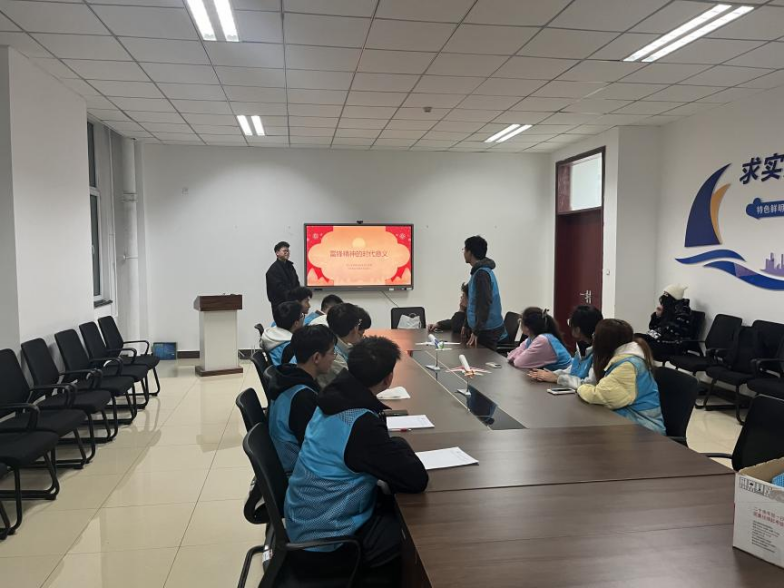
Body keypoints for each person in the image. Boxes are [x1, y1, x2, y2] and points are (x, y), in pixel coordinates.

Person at [285, 336, 428, 584]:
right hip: (328, 544)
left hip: (304, 521)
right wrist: (399, 445)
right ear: (388, 379)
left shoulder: (331, 399)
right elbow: (416, 479)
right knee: (416, 535)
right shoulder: (360, 424)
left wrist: (393, 446)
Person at [266, 325, 337, 474]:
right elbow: (318, 449)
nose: (334, 357)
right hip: (299, 473)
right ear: (316, 358)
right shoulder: (302, 397)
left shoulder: (287, 377)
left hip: (288, 463)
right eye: (332, 352)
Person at [577, 319, 665, 434]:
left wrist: (581, 387)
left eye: (595, 335)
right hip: (631, 424)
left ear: (604, 341)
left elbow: (599, 396)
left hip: (644, 431)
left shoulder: (627, 366)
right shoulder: (624, 359)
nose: (593, 338)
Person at [529, 305, 603, 389]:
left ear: (577, 329)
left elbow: (589, 385)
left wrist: (557, 378)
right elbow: (572, 370)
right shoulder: (582, 346)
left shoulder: (599, 354)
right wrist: (553, 374)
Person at [462, 236, 505, 350]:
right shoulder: (478, 272)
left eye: (464, 249)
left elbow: (484, 303)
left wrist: (476, 331)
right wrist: (466, 324)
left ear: (470, 252)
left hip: (487, 331)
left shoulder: (481, 274)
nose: (463, 253)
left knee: (481, 360)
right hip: (482, 329)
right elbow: (472, 302)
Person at [317, 302, 371, 388]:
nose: (362, 337)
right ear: (355, 328)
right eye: (361, 333)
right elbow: (352, 385)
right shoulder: (333, 356)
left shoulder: (337, 343)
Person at [507, 307, 572, 370]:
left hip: (564, 375)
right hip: (551, 373)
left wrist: (518, 356)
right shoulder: (532, 338)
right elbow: (510, 356)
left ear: (527, 328)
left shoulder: (542, 340)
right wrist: (518, 356)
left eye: (520, 321)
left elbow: (519, 363)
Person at [640, 284, 693, 361]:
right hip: (661, 339)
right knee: (636, 338)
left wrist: (652, 334)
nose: (663, 298)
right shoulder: (668, 308)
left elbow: (669, 332)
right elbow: (652, 328)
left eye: (666, 295)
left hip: (673, 345)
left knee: (645, 347)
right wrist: (657, 316)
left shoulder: (683, 312)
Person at [261, 301, 304, 366]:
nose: (303, 319)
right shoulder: (289, 347)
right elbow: (296, 368)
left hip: (275, 369)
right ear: (296, 323)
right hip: (282, 371)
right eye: (302, 316)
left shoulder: (271, 334)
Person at [266, 241, 300, 315]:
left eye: (288, 251)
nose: (287, 253)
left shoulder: (290, 266)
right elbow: (279, 289)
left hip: (293, 303)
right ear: (277, 253)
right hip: (280, 306)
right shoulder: (273, 270)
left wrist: (299, 296)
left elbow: (296, 283)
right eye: (284, 251)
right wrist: (292, 297)